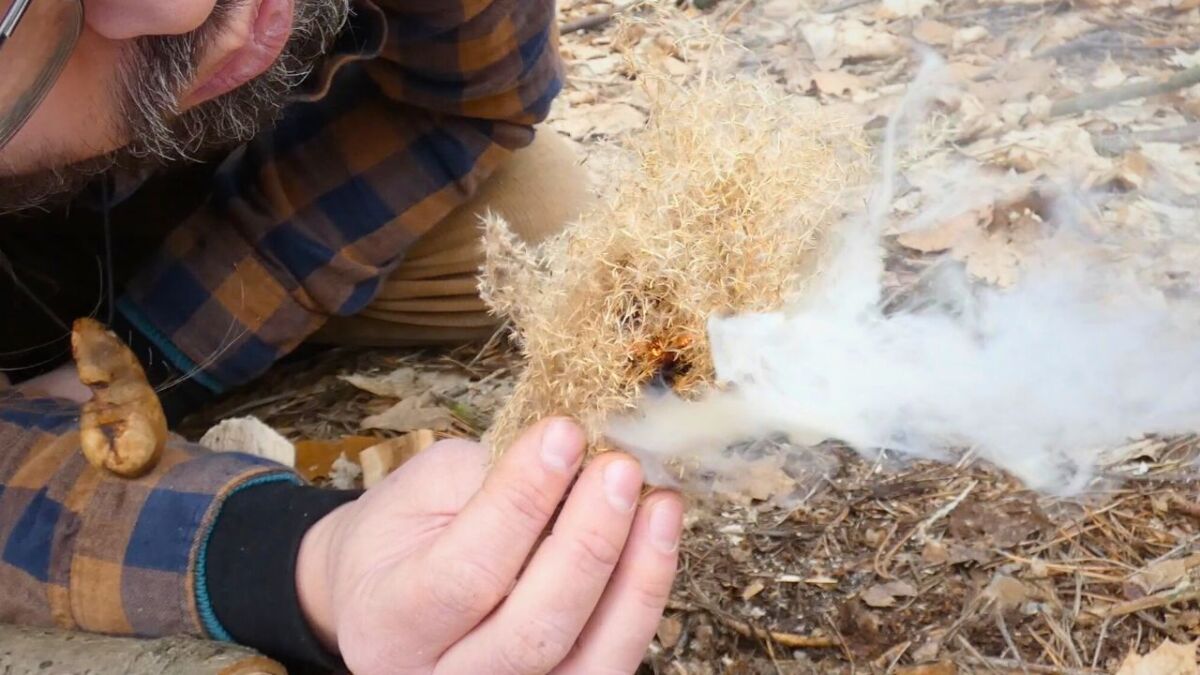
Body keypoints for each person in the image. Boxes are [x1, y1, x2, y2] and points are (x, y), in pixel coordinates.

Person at [0, 0, 684, 672]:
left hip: (184, 193)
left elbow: (470, 96)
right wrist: (306, 556)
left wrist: (150, 352)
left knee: (540, 206)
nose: (188, 9)